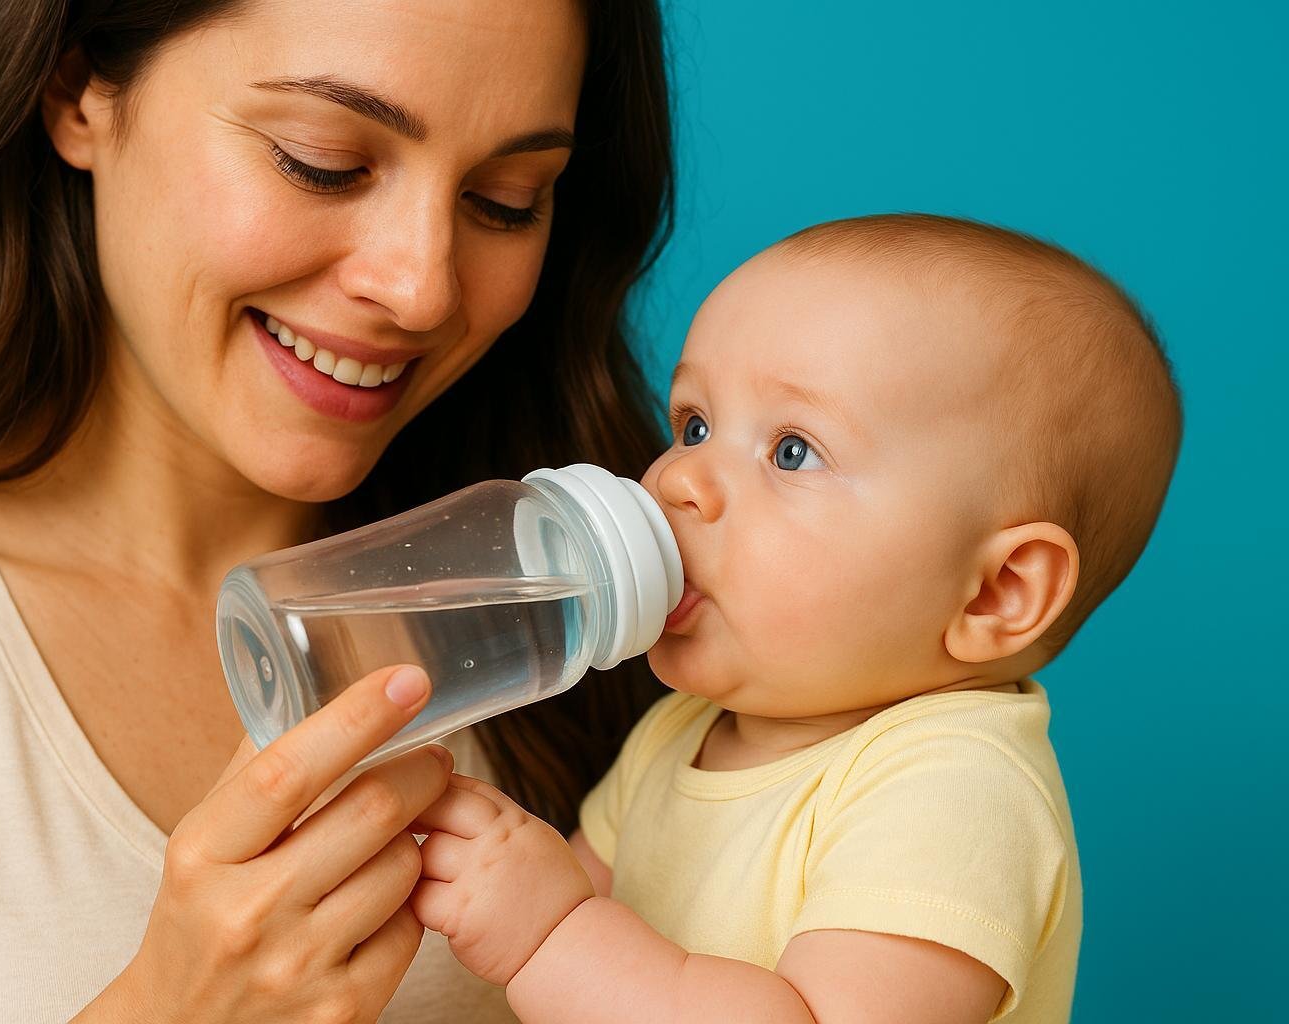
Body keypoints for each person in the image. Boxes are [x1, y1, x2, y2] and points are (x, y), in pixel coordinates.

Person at [0, 1, 676, 1020]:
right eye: (320, 161)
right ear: (76, 91)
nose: (420, 286)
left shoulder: (595, 631)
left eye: (506, 200)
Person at [409, 214, 1183, 1023]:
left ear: (996, 592)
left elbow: (573, 940)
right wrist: (465, 860)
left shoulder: (953, 789)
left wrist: (552, 933)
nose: (678, 479)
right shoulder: (681, 734)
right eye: (693, 425)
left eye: (791, 451)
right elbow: (548, 926)